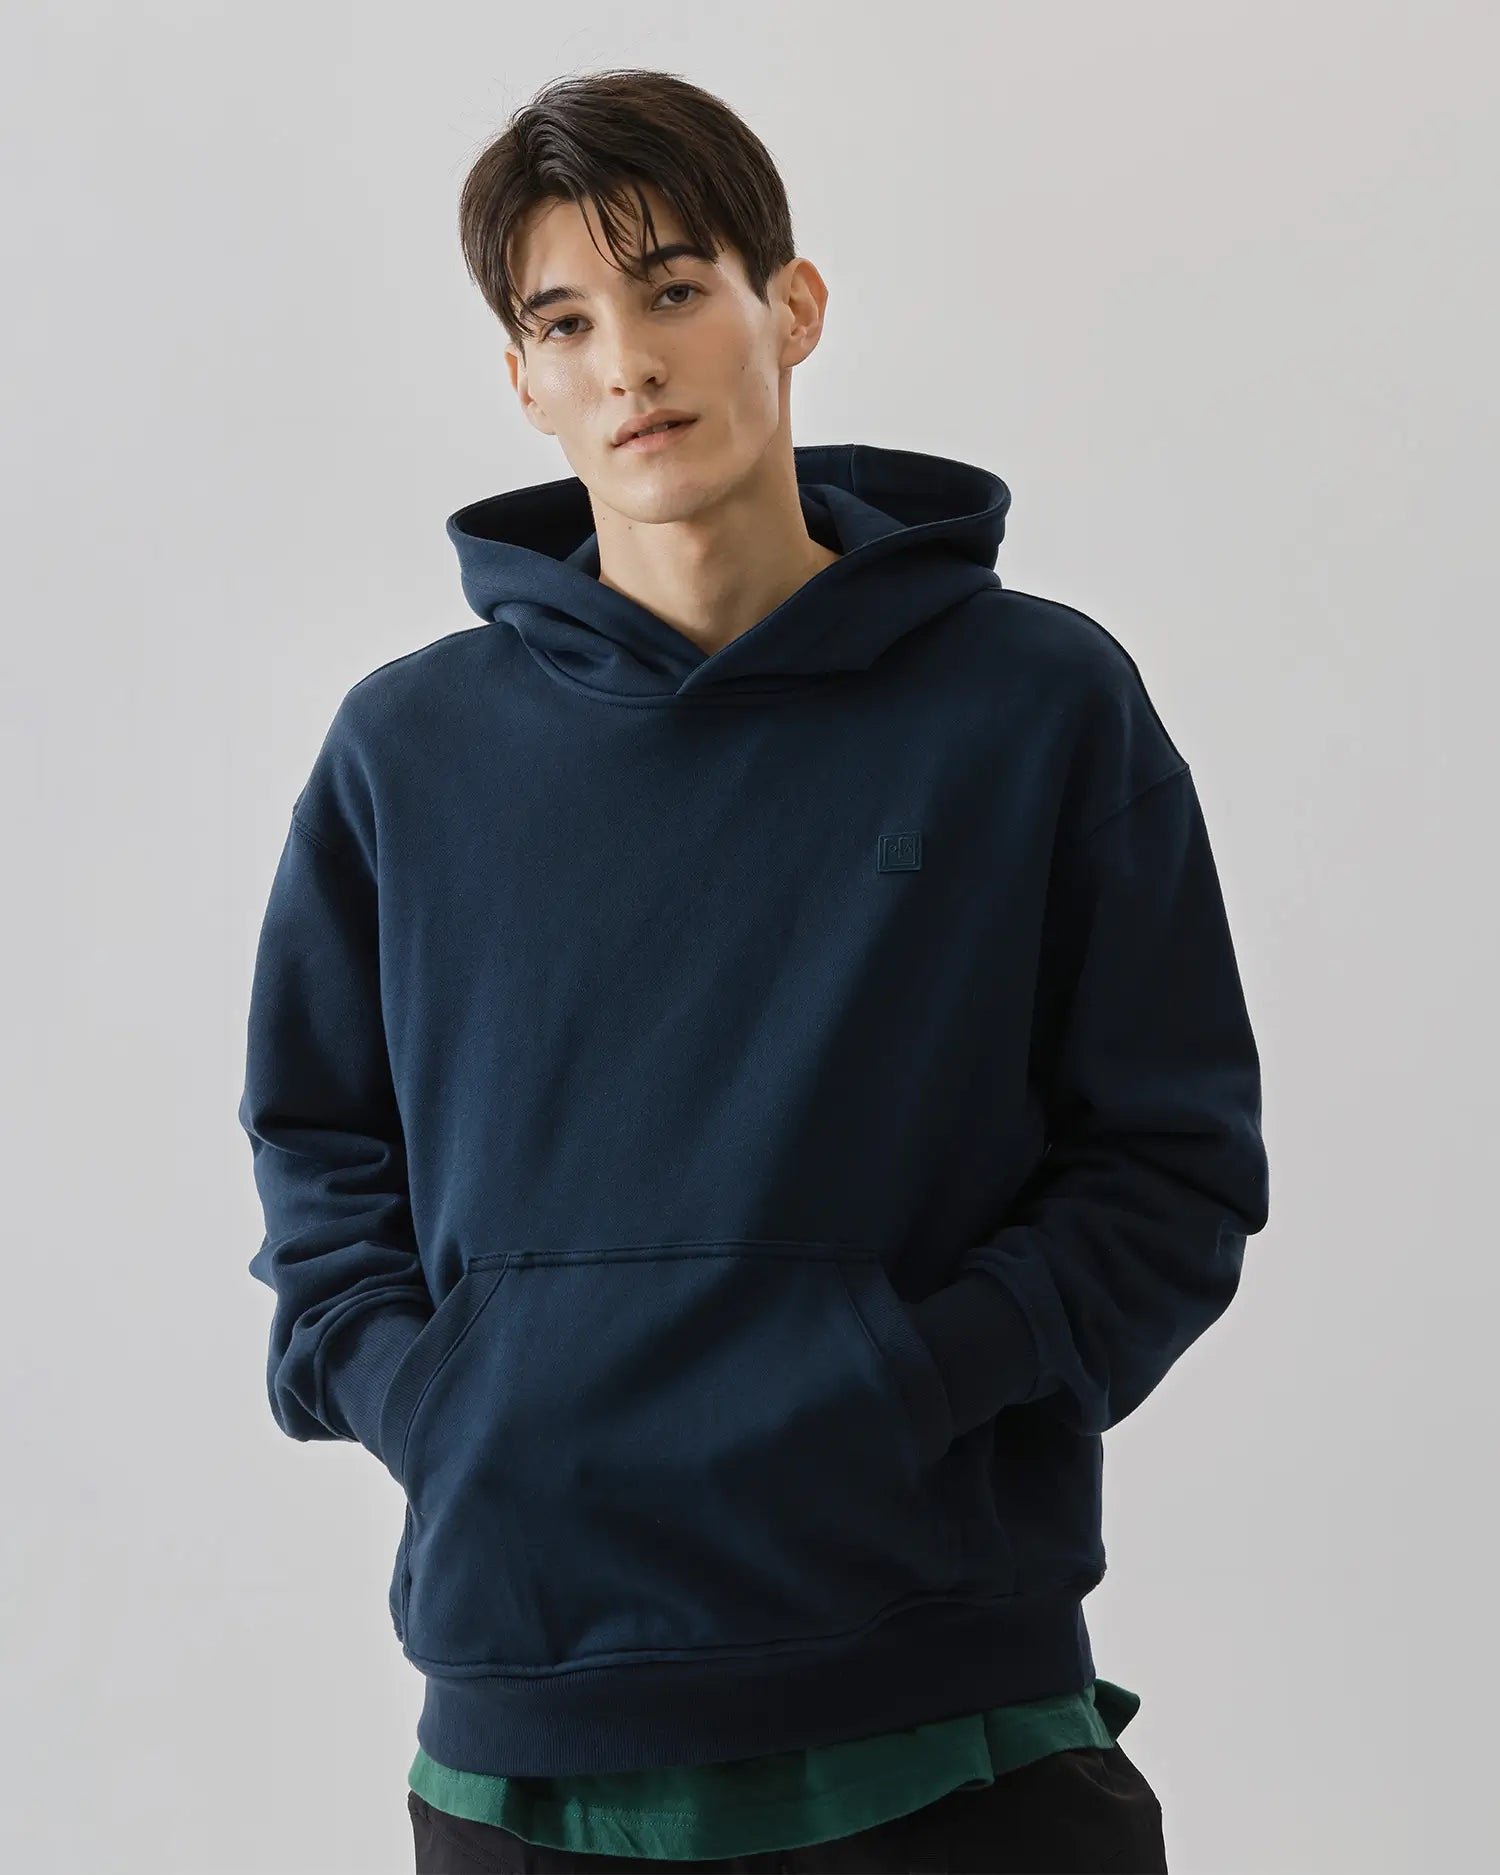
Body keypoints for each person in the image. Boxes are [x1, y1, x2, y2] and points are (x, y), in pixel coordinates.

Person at [238, 65, 1268, 1875]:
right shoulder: (407, 754)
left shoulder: (1034, 706)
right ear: (522, 379)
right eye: (567, 320)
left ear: (791, 306)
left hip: (947, 1718)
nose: (628, 362)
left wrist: (909, 1382)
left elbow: (1171, 1165)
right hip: (532, 1726)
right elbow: (318, 1157)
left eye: (673, 289)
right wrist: (440, 1404)